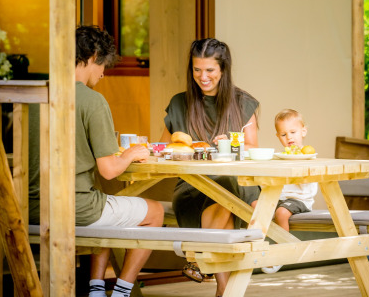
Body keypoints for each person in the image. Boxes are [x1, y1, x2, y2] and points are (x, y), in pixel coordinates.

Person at [160, 38, 260, 297]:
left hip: (237, 184)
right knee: (222, 200)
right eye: (196, 70)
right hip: (193, 186)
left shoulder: (242, 103)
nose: (202, 77)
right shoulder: (179, 103)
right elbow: (164, 149)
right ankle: (223, 287)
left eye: (210, 70)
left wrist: (230, 146)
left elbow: (252, 150)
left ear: (223, 70)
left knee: (226, 189)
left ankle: (204, 263)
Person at [74, 25, 164, 297]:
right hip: (76, 209)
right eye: (104, 65)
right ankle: (122, 292)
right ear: (94, 56)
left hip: (31, 208)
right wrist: (130, 154)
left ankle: (97, 289)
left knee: (106, 203)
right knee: (155, 212)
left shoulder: (38, 97)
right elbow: (109, 170)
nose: (103, 73)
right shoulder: (92, 101)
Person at [259, 109, 318, 274]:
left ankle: (281, 251)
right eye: (283, 135)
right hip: (282, 197)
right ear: (278, 136)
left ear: (303, 131)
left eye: (293, 132)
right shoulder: (281, 156)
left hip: (301, 199)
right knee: (257, 205)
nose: (289, 137)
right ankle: (255, 248)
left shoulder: (307, 155)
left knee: (282, 213)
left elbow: (306, 181)